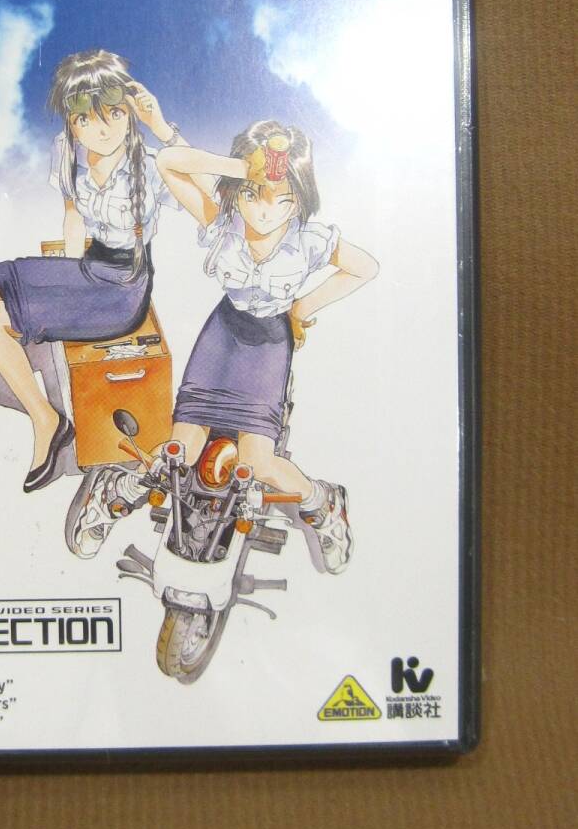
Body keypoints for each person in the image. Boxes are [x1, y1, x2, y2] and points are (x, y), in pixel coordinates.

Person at [68, 120, 378, 572]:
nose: (265, 211)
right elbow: (169, 162)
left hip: (269, 345)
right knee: (177, 454)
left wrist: (303, 307)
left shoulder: (310, 240)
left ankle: (323, 503)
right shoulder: (221, 220)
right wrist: (242, 168)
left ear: (299, 199)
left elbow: (365, 267)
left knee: (260, 464)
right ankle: (114, 492)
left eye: (282, 199)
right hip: (222, 335)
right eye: (253, 195)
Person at [0, 49, 182, 493]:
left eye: (113, 114)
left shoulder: (150, 164)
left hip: (121, 293)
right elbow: (72, 216)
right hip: (88, 269)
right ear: (72, 121)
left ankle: (47, 421)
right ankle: (20, 340)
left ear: (130, 111)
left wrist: (163, 128)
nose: (101, 129)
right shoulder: (67, 151)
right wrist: (62, 285)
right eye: (86, 119)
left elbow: (210, 194)